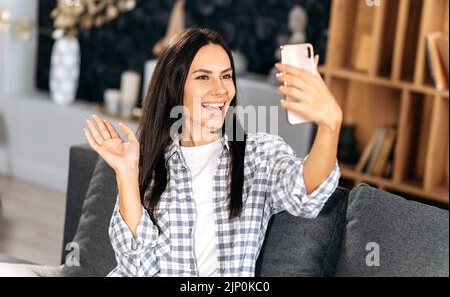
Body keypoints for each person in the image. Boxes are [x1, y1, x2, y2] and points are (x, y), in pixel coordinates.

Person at [83, 28, 342, 277]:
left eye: (226, 76)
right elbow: (136, 267)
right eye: (204, 77)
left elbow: (306, 195)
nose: (220, 90)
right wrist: (126, 173)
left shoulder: (258, 154)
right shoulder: (149, 163)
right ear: (176, 86)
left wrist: (330, 127)